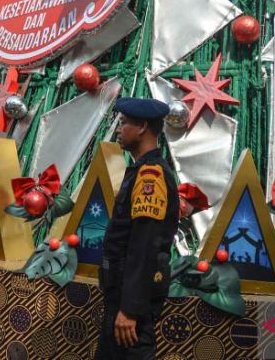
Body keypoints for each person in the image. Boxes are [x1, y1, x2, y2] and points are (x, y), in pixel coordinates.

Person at [96, 97, 180, 360]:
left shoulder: (150, 175)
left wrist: (130, 310)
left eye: (123, 123)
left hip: (131, 304)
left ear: (142, 127)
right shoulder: (140, 170)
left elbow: (144, 245)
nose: (119, 129)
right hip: (121, 296)